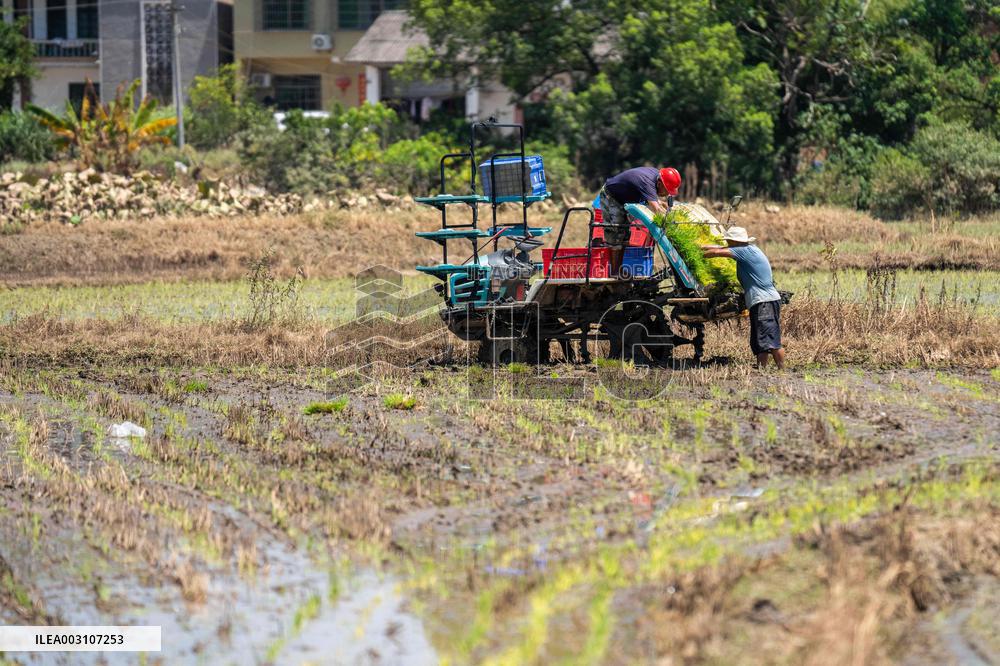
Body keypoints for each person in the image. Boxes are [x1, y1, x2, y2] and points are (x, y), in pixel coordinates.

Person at [702, 227, 785, 369]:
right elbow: (719, 248)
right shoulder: (748, 249)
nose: (727, 243)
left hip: (764, 301)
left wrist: (697, 256)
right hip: (762, 301)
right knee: (761, 339)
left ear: (735, 241)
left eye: (729, 241)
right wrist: (700, 247)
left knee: (770, 340)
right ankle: (761, 368)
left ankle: (782, 370)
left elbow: (716, 252)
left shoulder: (743, 251)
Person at [600, 166, 681, 275]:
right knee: (616, 233)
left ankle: (618, 270)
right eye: (667, 191)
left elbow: (653, 200)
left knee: (625, 235)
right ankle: (614, 272)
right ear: (659, 184)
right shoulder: (647, 182)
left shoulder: (657, 178)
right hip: (611, 196)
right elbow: (656, 209)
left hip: (625, 198)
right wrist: (671, 226)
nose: (667, 195)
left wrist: (665, 209)